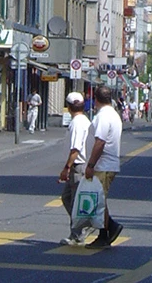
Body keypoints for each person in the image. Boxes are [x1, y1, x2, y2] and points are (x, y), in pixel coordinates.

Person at [83, 85, 124, 249]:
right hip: (108, 163)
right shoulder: (113, 114)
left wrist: (91, 164)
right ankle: (109, 228)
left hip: (103, 164)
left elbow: (100, 142)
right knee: (100, 200)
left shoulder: (103, 116)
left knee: (98, 201)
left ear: (96, 99)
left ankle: (105, 233)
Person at [59, 92, 90, 245]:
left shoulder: (78, 122)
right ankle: (80, 228)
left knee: (74, 201)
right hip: (79, 165)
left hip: (78, 165)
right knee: (68, 198)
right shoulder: (83, 120)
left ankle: (78, 234)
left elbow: (76, 148)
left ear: (69, 107)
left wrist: (67, 167)